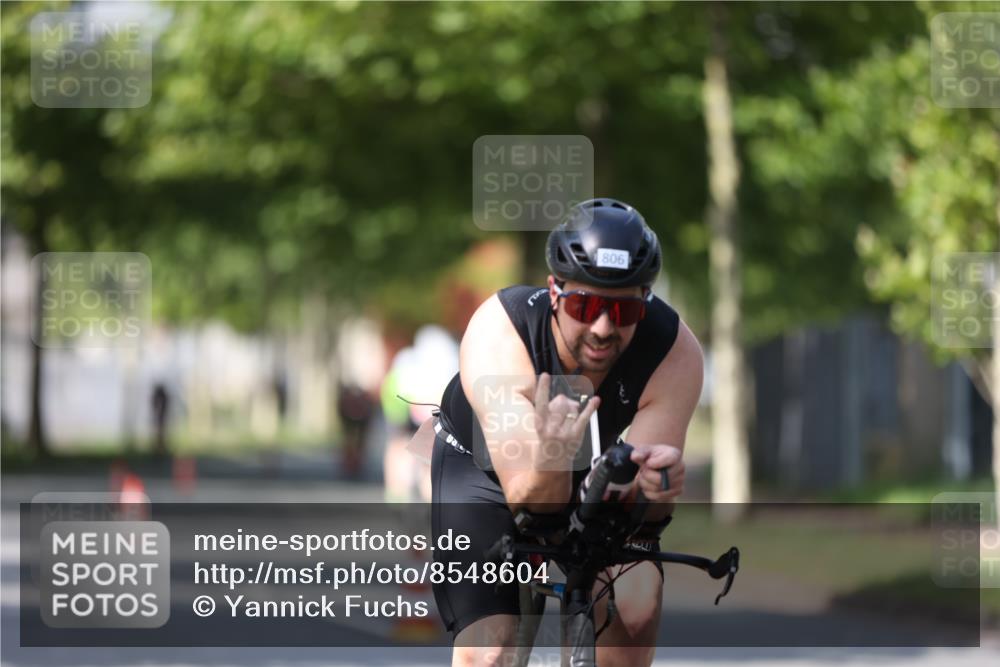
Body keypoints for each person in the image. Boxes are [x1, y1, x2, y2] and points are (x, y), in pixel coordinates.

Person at [424, 198, 704, 667]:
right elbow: (530, 499)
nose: (603, 327)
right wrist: (554, 456)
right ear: (555, 291)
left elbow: (643, 509)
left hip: (593, 467)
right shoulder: (503, 329)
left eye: (624, 311)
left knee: (634, 615)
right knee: (491, 651)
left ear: (645, 302)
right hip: (485, 472)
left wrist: (657, 493)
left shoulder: (674, 350)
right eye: (585, 305)